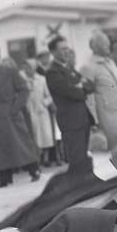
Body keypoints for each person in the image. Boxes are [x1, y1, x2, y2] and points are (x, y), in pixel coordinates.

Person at [0, 44, 41, 189]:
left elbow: (24, 89)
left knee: (21, 143)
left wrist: (15, 108)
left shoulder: (10, 71)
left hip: (11, 112)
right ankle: (3, 179)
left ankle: (34, 170)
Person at [44, 36, 95, 172]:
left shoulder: (69, 69)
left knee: (83, 158)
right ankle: (80, 188)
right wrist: (80, 87)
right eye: (63, 49)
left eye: (67, 48)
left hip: (82, 119)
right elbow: (73, 93)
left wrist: (80, 86)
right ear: (53, 52)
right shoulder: (53, 72)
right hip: (71, 122)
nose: (67, 51)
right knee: (77, 159)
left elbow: (91, 86)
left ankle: (86, 186)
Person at [81, 31, 117, 154]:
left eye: (108, 44)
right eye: (104, 44)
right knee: (112, 153)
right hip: (108, 118)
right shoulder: (88, 67)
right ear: (95, 47)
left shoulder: (110, 62)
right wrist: (94, 121)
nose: (108, 47)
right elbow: (89, 98)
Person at [22, 59, 56, 168]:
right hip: (30, 112)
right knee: (34, 136)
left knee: (45, 136)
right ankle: (37, 159)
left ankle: (46, 158)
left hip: (41, 112)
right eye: (25, 68)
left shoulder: (42, 80)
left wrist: (44, 104)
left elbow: (49, 96)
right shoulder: (22, 81)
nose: (27, 70)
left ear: (34, 68)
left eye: (29, 68)